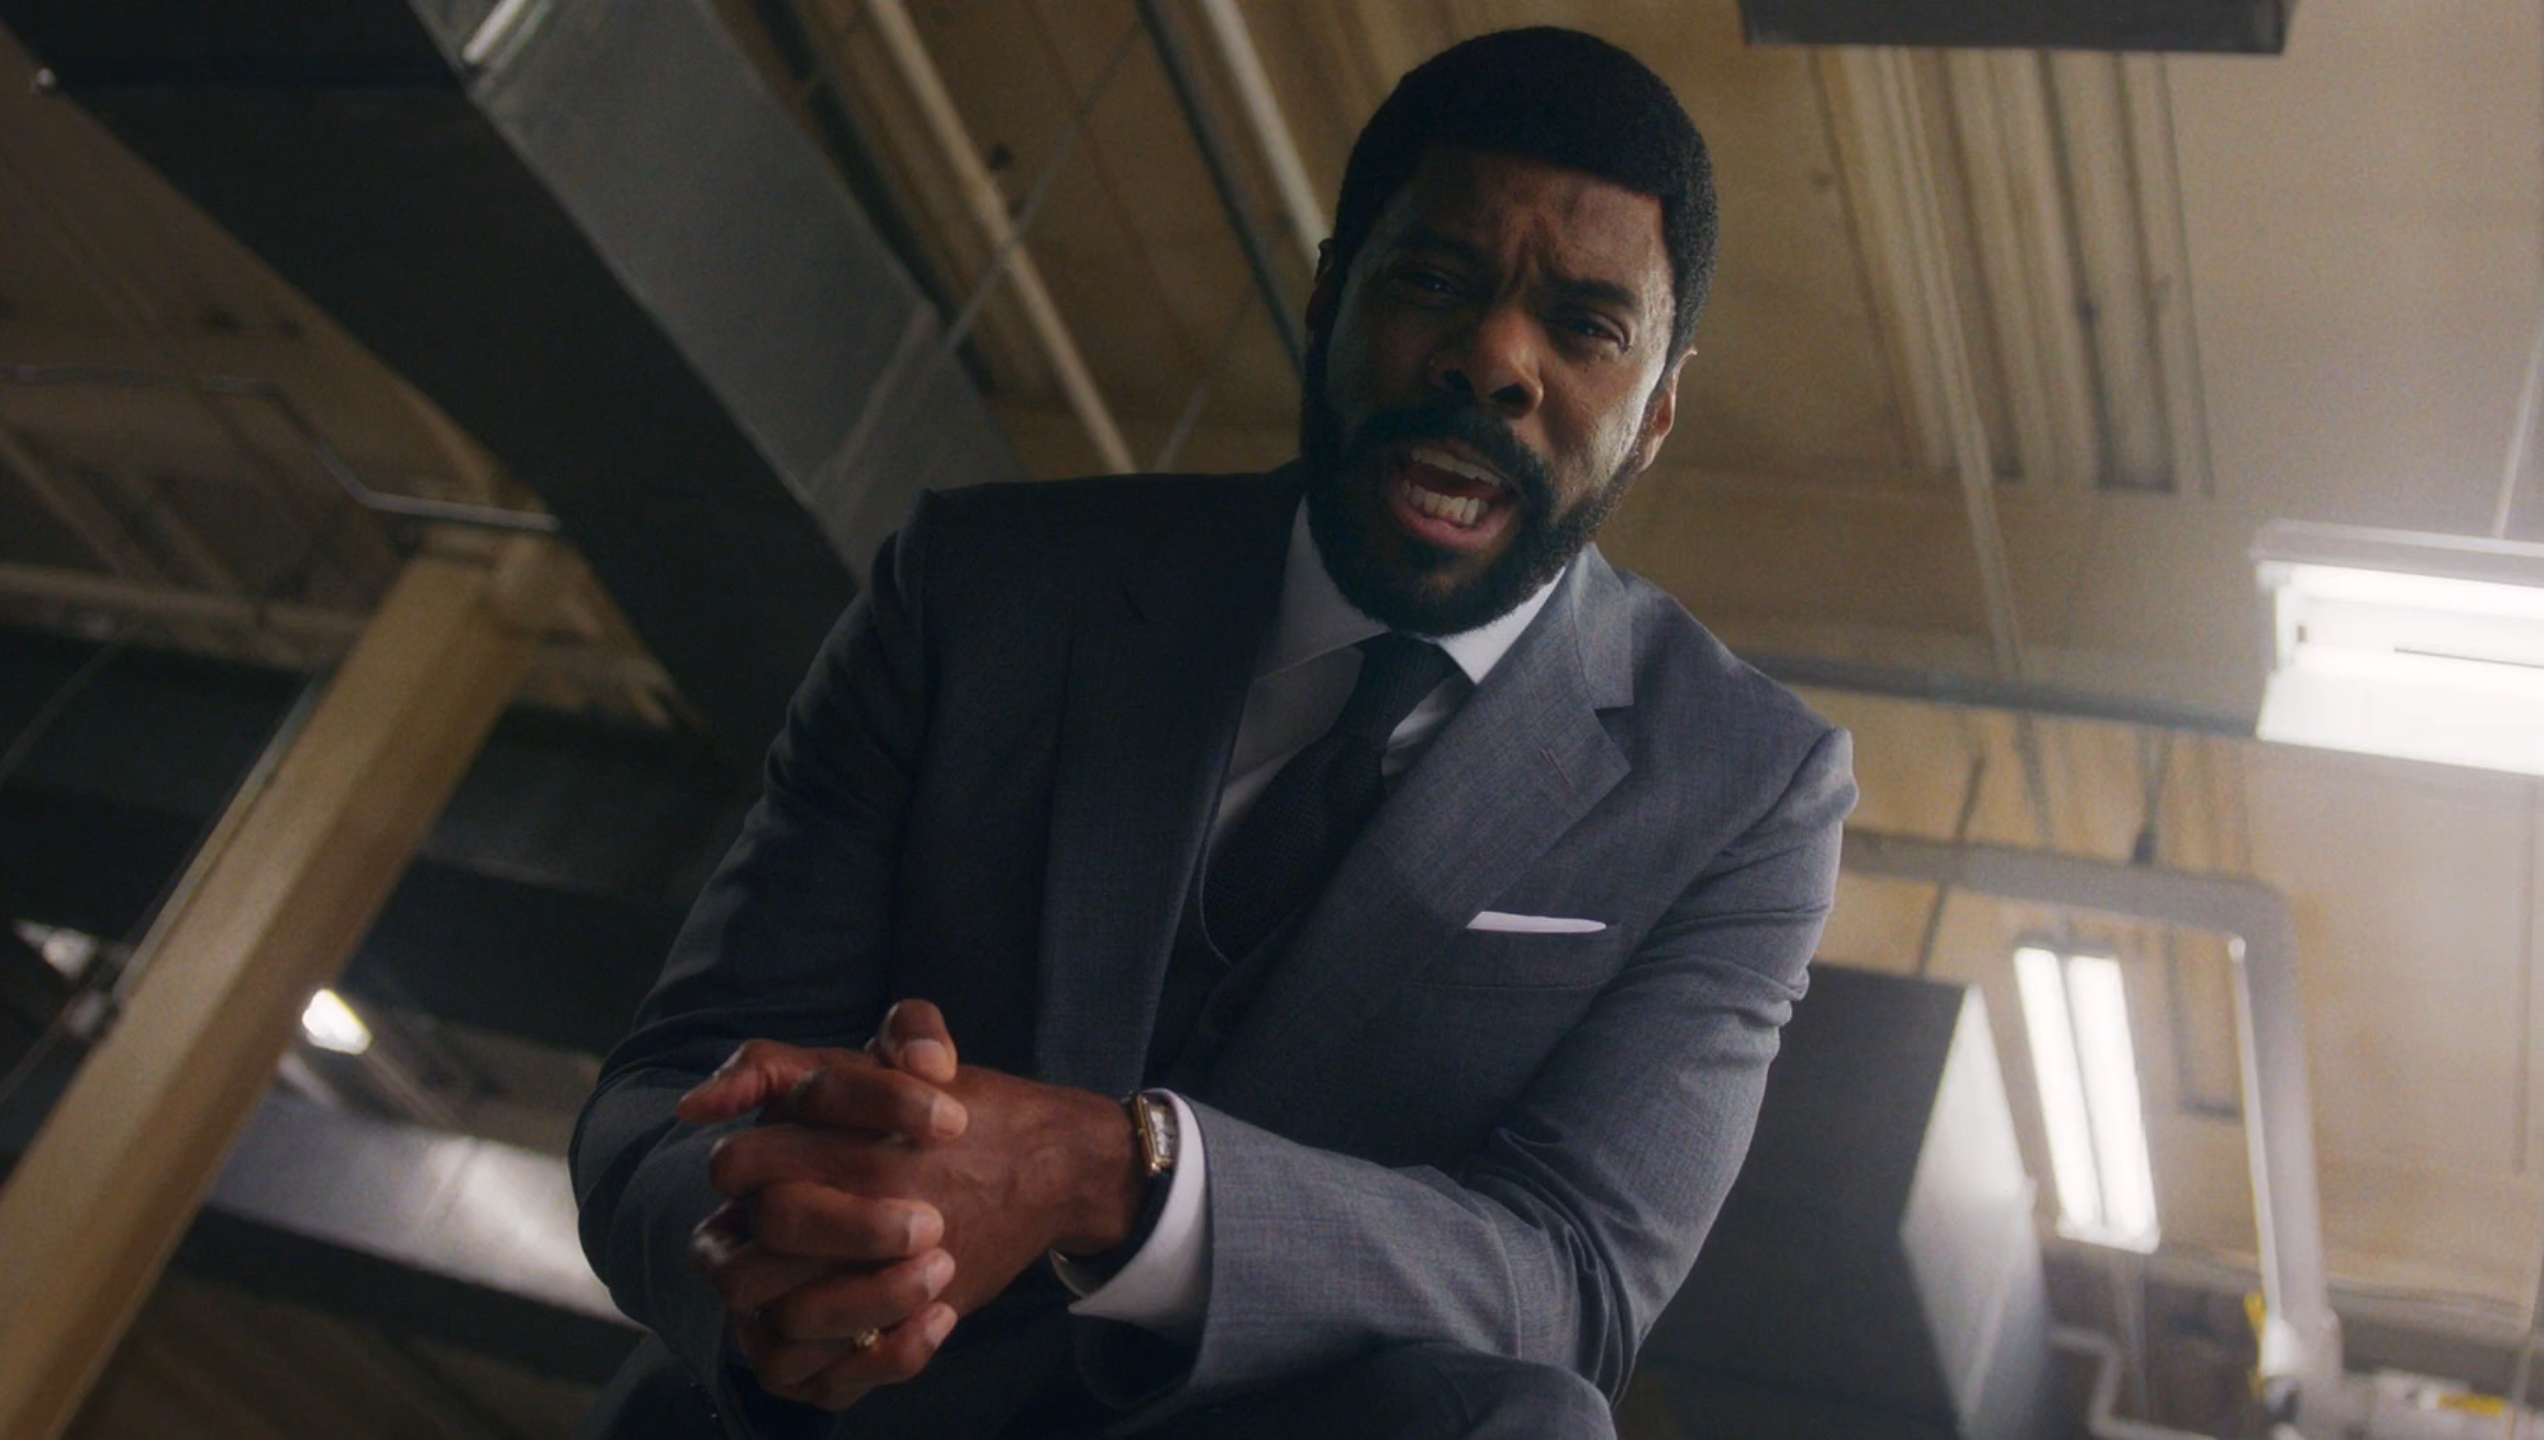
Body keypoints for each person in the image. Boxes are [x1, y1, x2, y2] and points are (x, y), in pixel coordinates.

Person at [570, 26, 1854, 1440]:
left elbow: (1575, 1284)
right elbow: (670, 1089)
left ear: (1657, 410)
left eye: (1587, 328)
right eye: (1433, 281)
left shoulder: (1746, 790)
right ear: (1328, 296)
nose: (1495, 358)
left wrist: (1107, 1173)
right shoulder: (979, 589)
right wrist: (772, 1253)